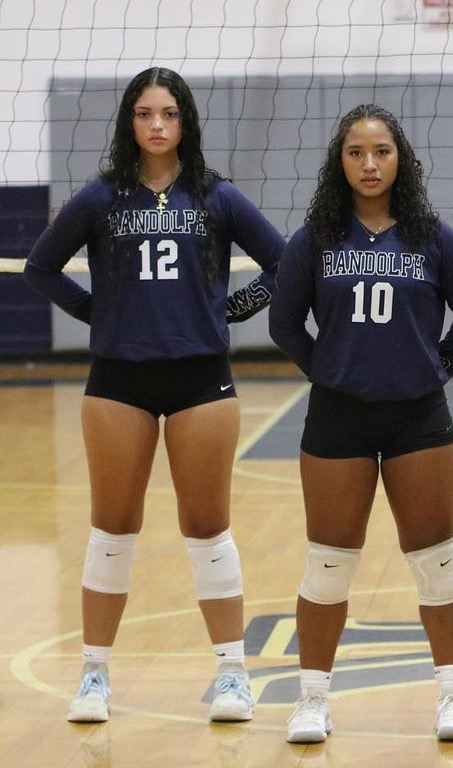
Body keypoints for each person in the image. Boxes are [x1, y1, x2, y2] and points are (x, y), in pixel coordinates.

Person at [23, 67, 284, 723]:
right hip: (119, 380)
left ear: (185, 121)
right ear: (130, 122)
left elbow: (287, 263)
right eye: (145, 113)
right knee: (113, 526)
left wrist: (233, 309)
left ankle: (231, 674)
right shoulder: (102, 197)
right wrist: (104, 316)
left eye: (169, 113)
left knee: (206, 527)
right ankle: (94, 675)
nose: (158, 125)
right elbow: (40, 266)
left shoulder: (215, 196)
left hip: (201, 379)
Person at [269, 103, 453, 744]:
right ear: (338, 163)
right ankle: (312, 699)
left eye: (382, 152)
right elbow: (284, 324)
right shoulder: (316, 238)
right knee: (328, 566)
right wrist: (330, 369)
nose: (369, 164)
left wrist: (433, 369)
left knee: (438, 563)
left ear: (402, 160)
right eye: (356, 153)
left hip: (418, 416)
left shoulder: (430, 236)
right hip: (337, 418)